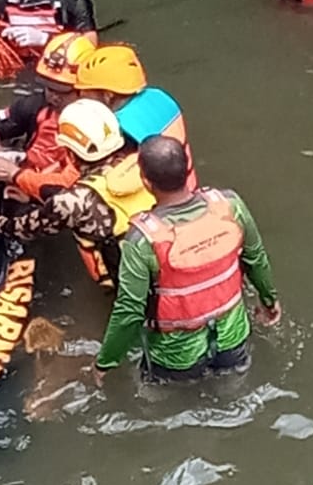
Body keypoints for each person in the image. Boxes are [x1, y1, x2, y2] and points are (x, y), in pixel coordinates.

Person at [94, 136, 280, 384]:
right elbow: (256, 258)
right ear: (188, 169)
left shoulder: (142, 239)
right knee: (231, 391)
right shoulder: (230, 206)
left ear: (146, 182)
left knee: (157, 401)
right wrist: (269, 301)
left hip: (175, 357)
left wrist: (105, 362)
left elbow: (129, 311)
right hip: (232, 341)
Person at [0, 99, 154, 293]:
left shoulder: (71, 202)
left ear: (69, 154)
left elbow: (26, 228)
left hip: (131, 288)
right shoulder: (144, 161)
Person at [0, 31, 96, 201]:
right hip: (24, 175)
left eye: (62, 90)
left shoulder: (100, 127)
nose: (53, 96)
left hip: (61, 195)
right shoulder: (36, 105)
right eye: (49, 87)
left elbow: (76, 187)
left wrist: (18, 176)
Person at [75, 43, 197, 189]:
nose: (80, 96)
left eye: (85, 91)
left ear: (108, 95)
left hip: (156, 198)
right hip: (186, 185)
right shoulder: (158, 96)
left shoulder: (117, 128)